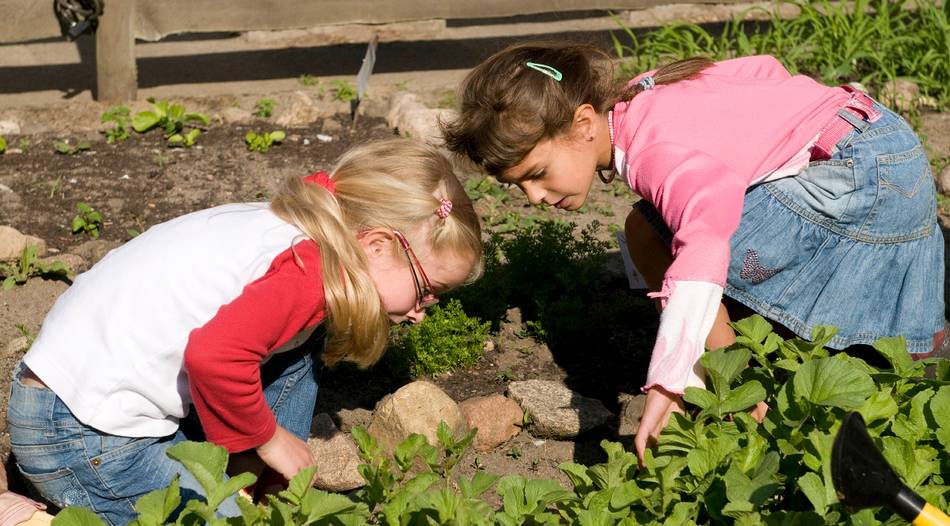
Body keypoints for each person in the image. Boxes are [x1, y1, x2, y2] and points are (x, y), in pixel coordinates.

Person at [442, 42, 944, 464]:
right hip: (879, 140)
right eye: (518, 186)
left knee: (662, 238)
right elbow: (762, 70)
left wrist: (670, 380)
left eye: (536, 173)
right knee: (650, 228)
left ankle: (740, 390)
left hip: (863, 184)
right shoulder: (643, 95)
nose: (533, 196)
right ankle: (739, 374)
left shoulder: (654, 153)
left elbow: (702, 250)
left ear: (583, 123)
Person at [6, 138, 483, 525]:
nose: (422, 311)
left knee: (302, 343)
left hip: (73, 399)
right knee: (225, 522)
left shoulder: (294, 230)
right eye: (427, 290)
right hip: (84, 439)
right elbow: (214, 356)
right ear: (377, 245)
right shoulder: (307, 277)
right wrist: (270, 438)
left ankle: (249, 477)